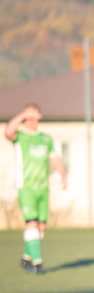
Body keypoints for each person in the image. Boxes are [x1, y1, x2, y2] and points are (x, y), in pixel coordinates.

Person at [4, 103, 68, 274]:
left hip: (43, 187)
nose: (31, 120)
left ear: (40, 116)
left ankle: (26, 258)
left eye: (34, 116)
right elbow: (8, 132)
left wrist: (62, 175)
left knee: (40, 228)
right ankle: (37, 263)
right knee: (31, 223)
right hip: (26, 186)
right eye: (28, 117)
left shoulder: (45, 138)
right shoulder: (20, 136)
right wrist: (22, 114)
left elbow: (54, 158)